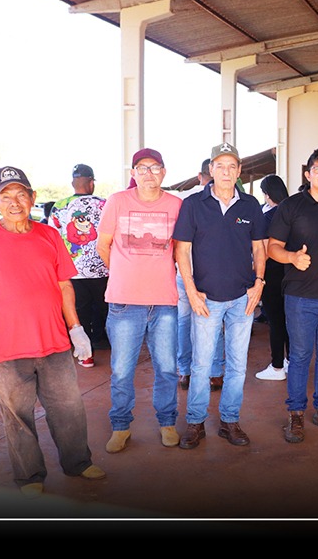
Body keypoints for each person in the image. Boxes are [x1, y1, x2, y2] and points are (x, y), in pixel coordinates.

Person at [0, 166, 105, 497]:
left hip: (54, 341)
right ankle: (30, 474)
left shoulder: (49, 235)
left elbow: (64, 285)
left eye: (21, 195)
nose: (14, 202)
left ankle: (77, 462)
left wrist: (76, 328)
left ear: (32, 198)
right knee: (17, 415)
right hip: (8, 346)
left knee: (69, 407)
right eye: (6, 196)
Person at [174, 142, 266, 449]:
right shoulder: (193, 205)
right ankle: (196, 423)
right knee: (201, 365)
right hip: (206, 299)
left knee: (237, 365)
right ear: (210, 170)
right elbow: (182, 250)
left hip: (243, 298)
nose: (226, 172)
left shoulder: (250, 205)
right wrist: (191, 290)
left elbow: (259, 247)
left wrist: (259, 283)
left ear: (239, 171)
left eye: (232, 166)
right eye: (220, 166)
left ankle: (229, 421)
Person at [97, 148, 183, 452]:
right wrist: (123, 273)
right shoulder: (118, 201)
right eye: (142, 168)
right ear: (133, 173)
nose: (149, 173)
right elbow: (103, 245)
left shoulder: (176, 205)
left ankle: (167, 422)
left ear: (164, 172)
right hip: (124, 302)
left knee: (167, 367)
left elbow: (181, 250)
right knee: (122, 369)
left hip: (164, 302)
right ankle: (120, 427)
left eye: (155, 167)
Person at [267, 146, 318, 442]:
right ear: (308, 173)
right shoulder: (291, 206)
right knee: (300, 356)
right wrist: (292, 258)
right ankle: (296, 415)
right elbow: (271, 247)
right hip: (301, 297)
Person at [49, 163, 109, 365]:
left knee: (79, 309)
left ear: (73, 183)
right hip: (102, 267)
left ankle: (85, 350)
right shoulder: (104, 204)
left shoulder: (59, 206)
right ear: (91, 183)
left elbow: (53, 238)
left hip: (72, 270)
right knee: (103, 307)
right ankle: (101, 341)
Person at [175, 159, 225, 392]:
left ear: (200, 175)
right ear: (213, 172)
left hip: (186, 273)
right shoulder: (223, 198)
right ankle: (215, 373)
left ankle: (185, 371)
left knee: (185, 323)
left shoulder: (187, 199)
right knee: (213, 324)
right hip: (207, 275)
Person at [255, 174, 290, 381]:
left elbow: (264, 250)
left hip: (271, 273)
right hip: (289, 272)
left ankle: (277, 366)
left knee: (276, 321)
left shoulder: (269, 216)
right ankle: (290, 361)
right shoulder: (289, 210)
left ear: (268, 194)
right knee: (288, 321)